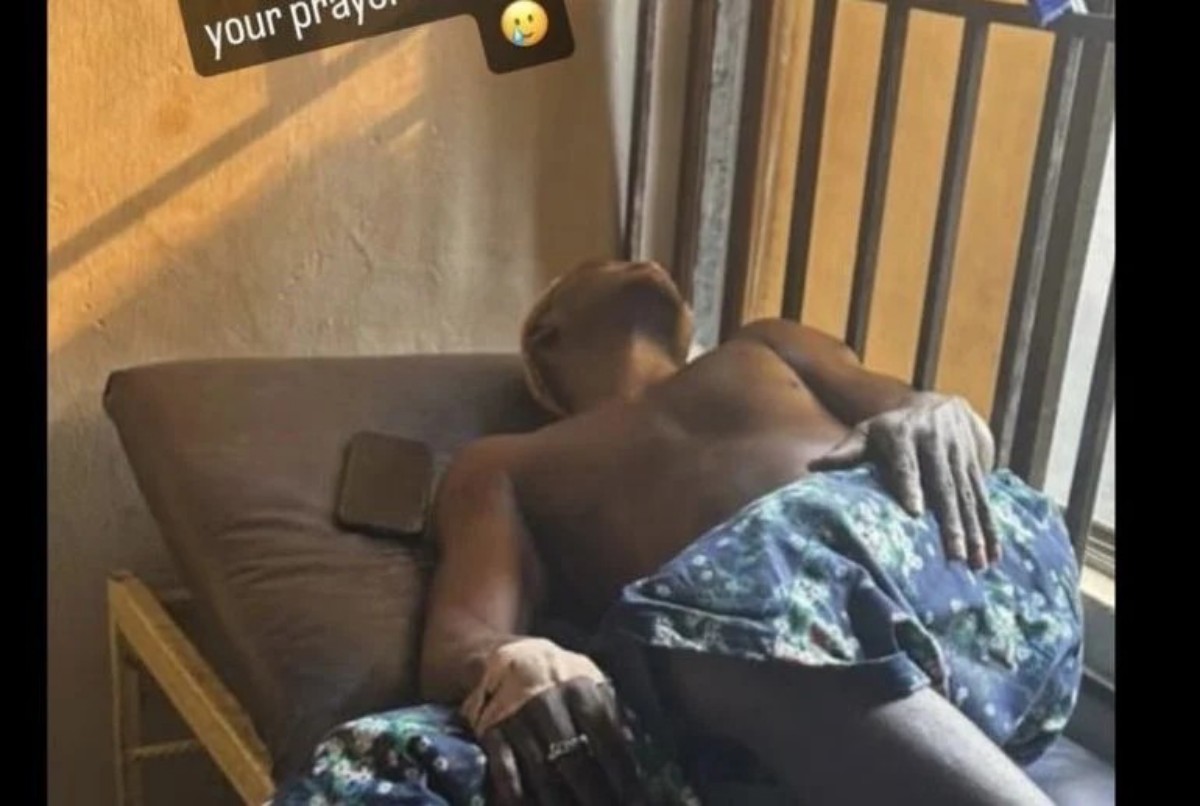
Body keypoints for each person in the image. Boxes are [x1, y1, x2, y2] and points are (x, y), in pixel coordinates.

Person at [418, 259, 1082, 806]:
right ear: (546, 336)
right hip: (778, 700)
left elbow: (917, 417)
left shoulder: (764, 346)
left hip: (977, 580)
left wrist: (938, 411)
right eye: (609, 263)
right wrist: (509, 658)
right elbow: (459, 637)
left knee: (736, 579)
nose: (651, 263)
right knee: (407, 754)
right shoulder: (506, 466)